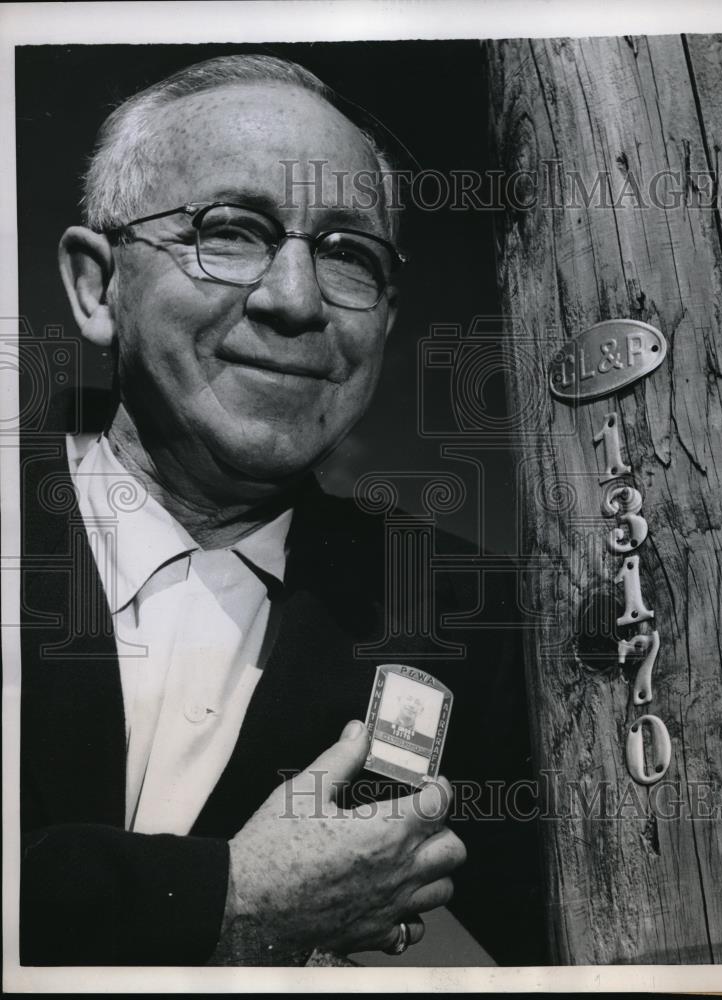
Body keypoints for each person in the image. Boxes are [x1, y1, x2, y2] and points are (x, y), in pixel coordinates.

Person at [19, 54, 545, 967]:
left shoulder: (464, 614)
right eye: (230, 231)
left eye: (349, 255)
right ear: (97, 286)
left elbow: (634, 934)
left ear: (384, 320)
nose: (296, 301)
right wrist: (226, 905)